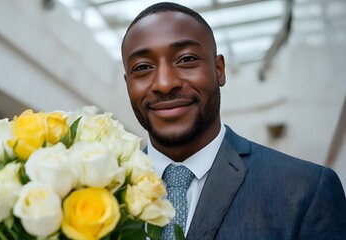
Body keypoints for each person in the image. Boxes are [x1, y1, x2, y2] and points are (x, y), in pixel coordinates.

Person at [120, 2, 346, 239]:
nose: (165, 84)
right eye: (143, 67)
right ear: (128, 83)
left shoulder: (306, 190)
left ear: (219, 70)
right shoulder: (93, 189)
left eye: (186, 59)